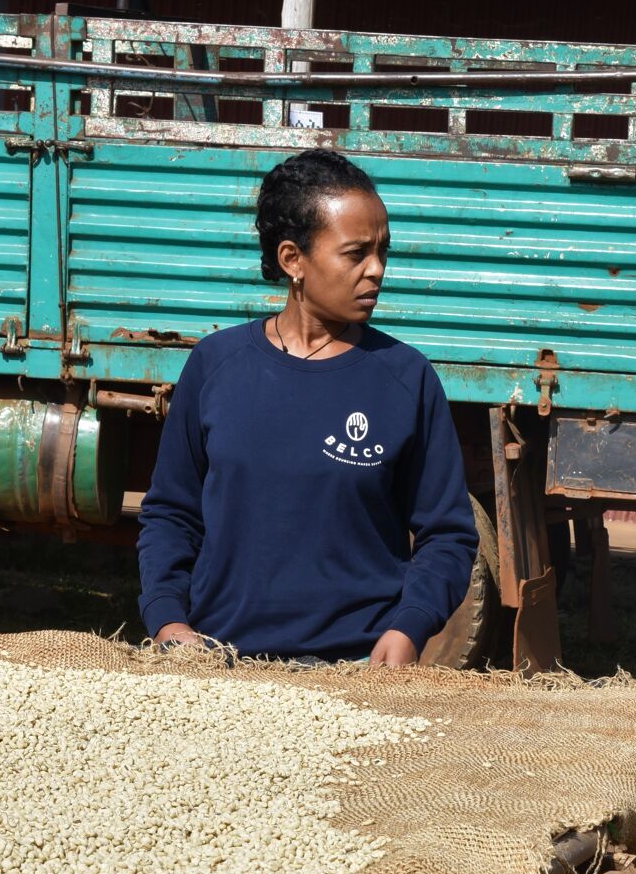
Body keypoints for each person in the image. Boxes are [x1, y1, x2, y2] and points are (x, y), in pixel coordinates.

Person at [137, 148, 478, 666]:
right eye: (356, 253)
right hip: (216, 668)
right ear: (293, 259)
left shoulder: (406, 378)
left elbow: (448, 534)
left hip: (356, 672)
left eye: (384, 251)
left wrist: (410, 627)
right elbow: (170, 513)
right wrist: (167, 618)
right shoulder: (216, 364)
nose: (377, 270)